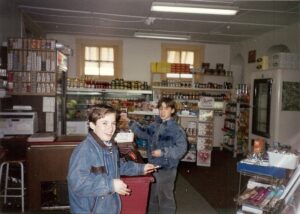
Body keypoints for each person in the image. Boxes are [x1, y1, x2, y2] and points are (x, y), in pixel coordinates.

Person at [67, 104, 156, 214]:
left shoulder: (111, 146)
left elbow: (119, 166)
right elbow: (77, 184)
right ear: (92, 125)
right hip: (89, 210)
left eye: (113, 123)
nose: (110, 128)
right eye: (105, 123)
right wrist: (111, 185)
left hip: (108, 207)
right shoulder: (84, 151)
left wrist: (141, 168)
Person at [121, 97, 188, 214]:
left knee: (165, 198)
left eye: (166, 108)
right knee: (152, 196)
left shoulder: (176, 129)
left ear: (172, 110)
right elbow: (143, 132)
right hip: (153, 167)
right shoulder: (156, 125)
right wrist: (130, 122)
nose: (162, 111)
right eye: (160, 108)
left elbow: (181, 149)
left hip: (167, 169)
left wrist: (163, 151)